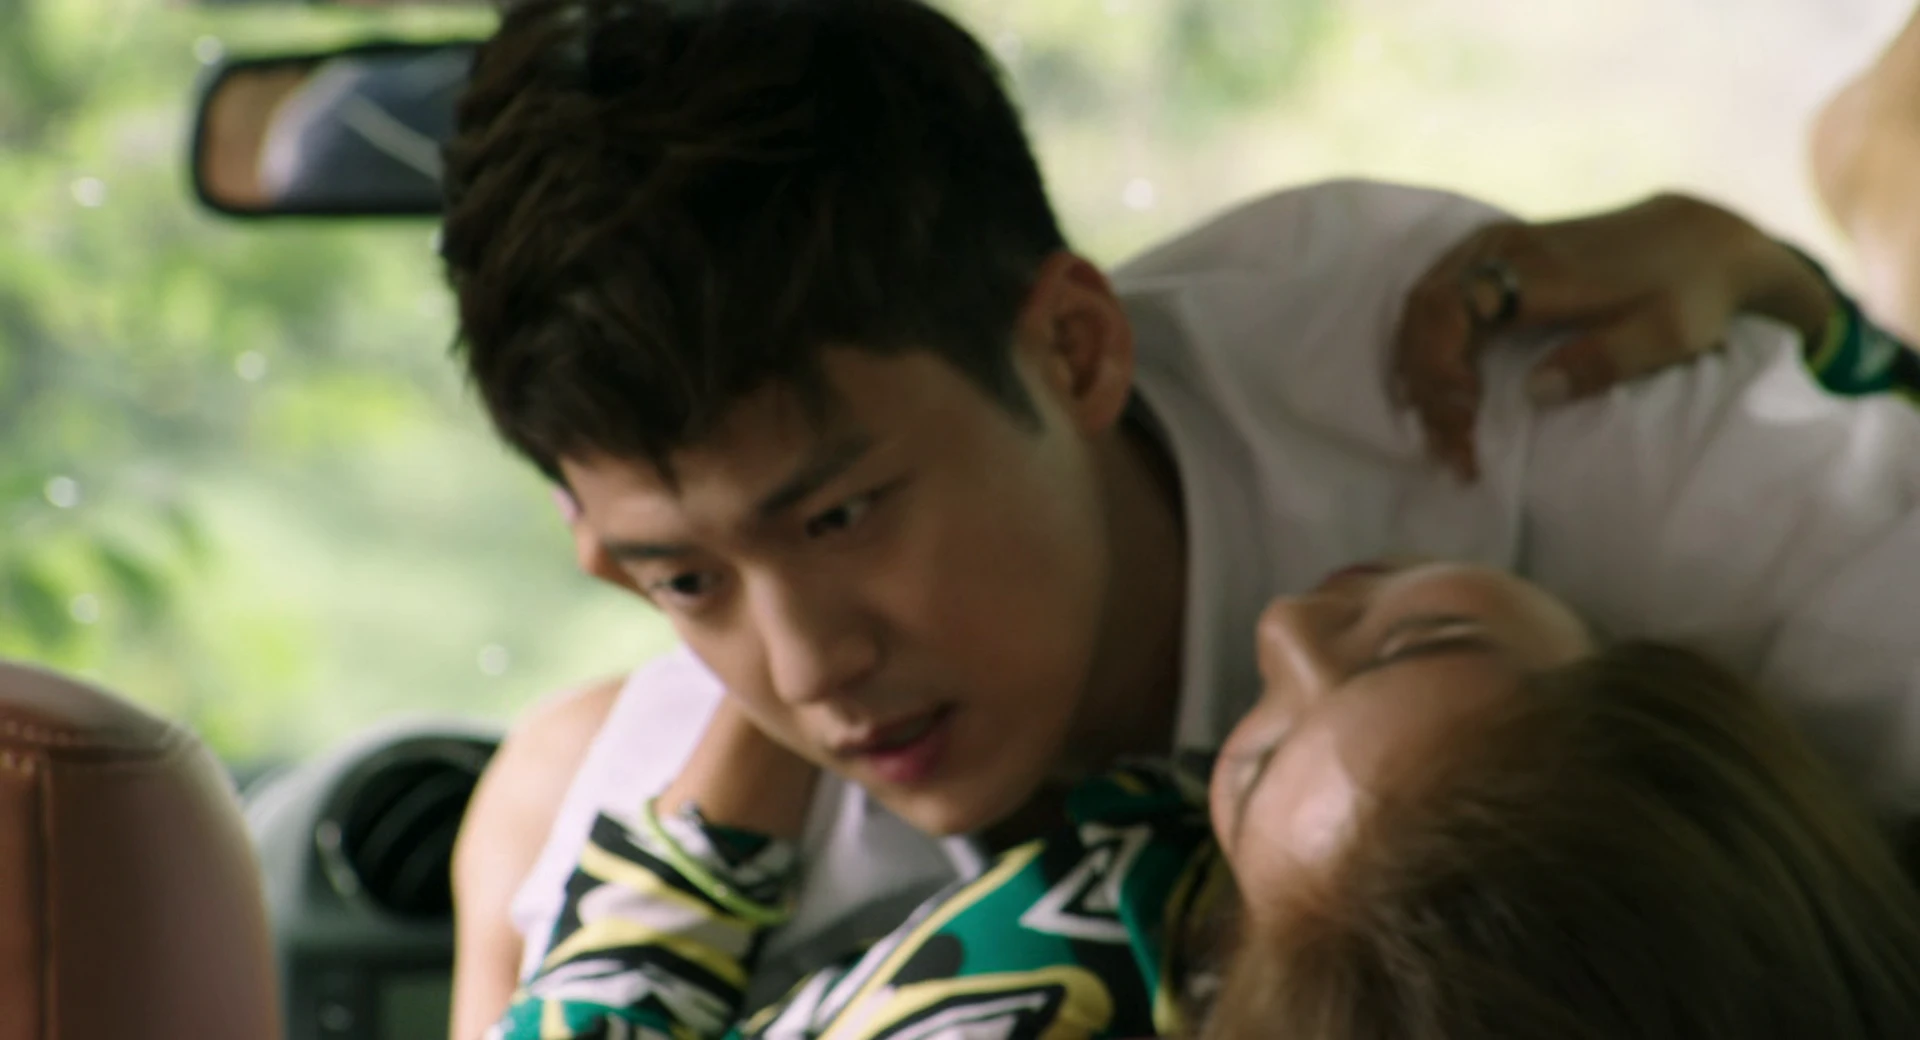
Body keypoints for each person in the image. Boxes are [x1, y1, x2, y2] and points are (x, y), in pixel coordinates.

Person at [436, 0, 1920, 1034]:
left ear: (1078, 350)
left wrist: (1817, 322)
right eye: (685, 580)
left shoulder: (1533, 415)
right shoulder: (653, 848)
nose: (807, 669)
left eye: (841, 519)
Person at [486, 561, 1920, 1038]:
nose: (1285, 625)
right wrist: (1754, 271)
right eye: (1425, 639)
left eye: (1257, 762)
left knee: (535, 781)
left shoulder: (1039, 990)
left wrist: (771, 701)